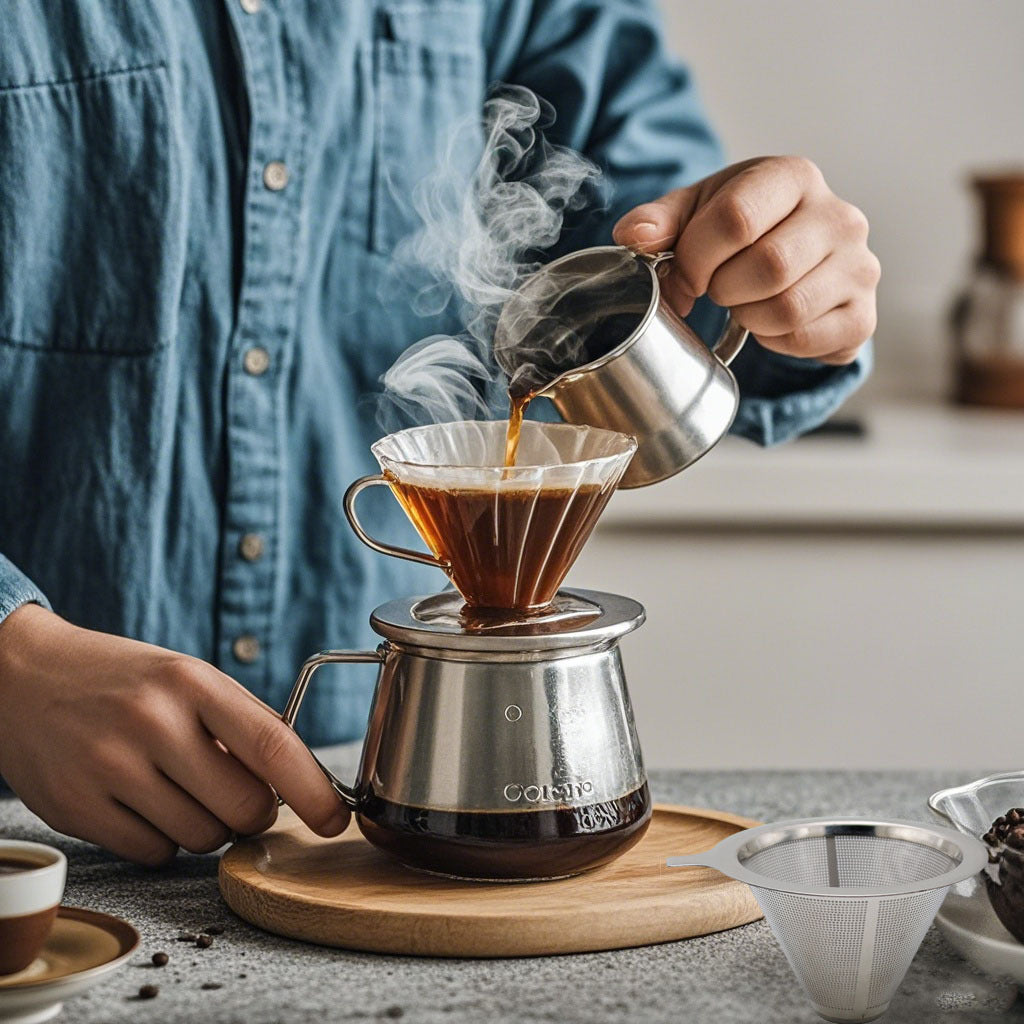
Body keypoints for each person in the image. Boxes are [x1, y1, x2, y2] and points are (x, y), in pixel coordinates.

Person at [0, 1, 878, 865]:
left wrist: (780, 275)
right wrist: (12, 661)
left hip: (353, 824)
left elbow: (652, 268)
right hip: (34, 833)